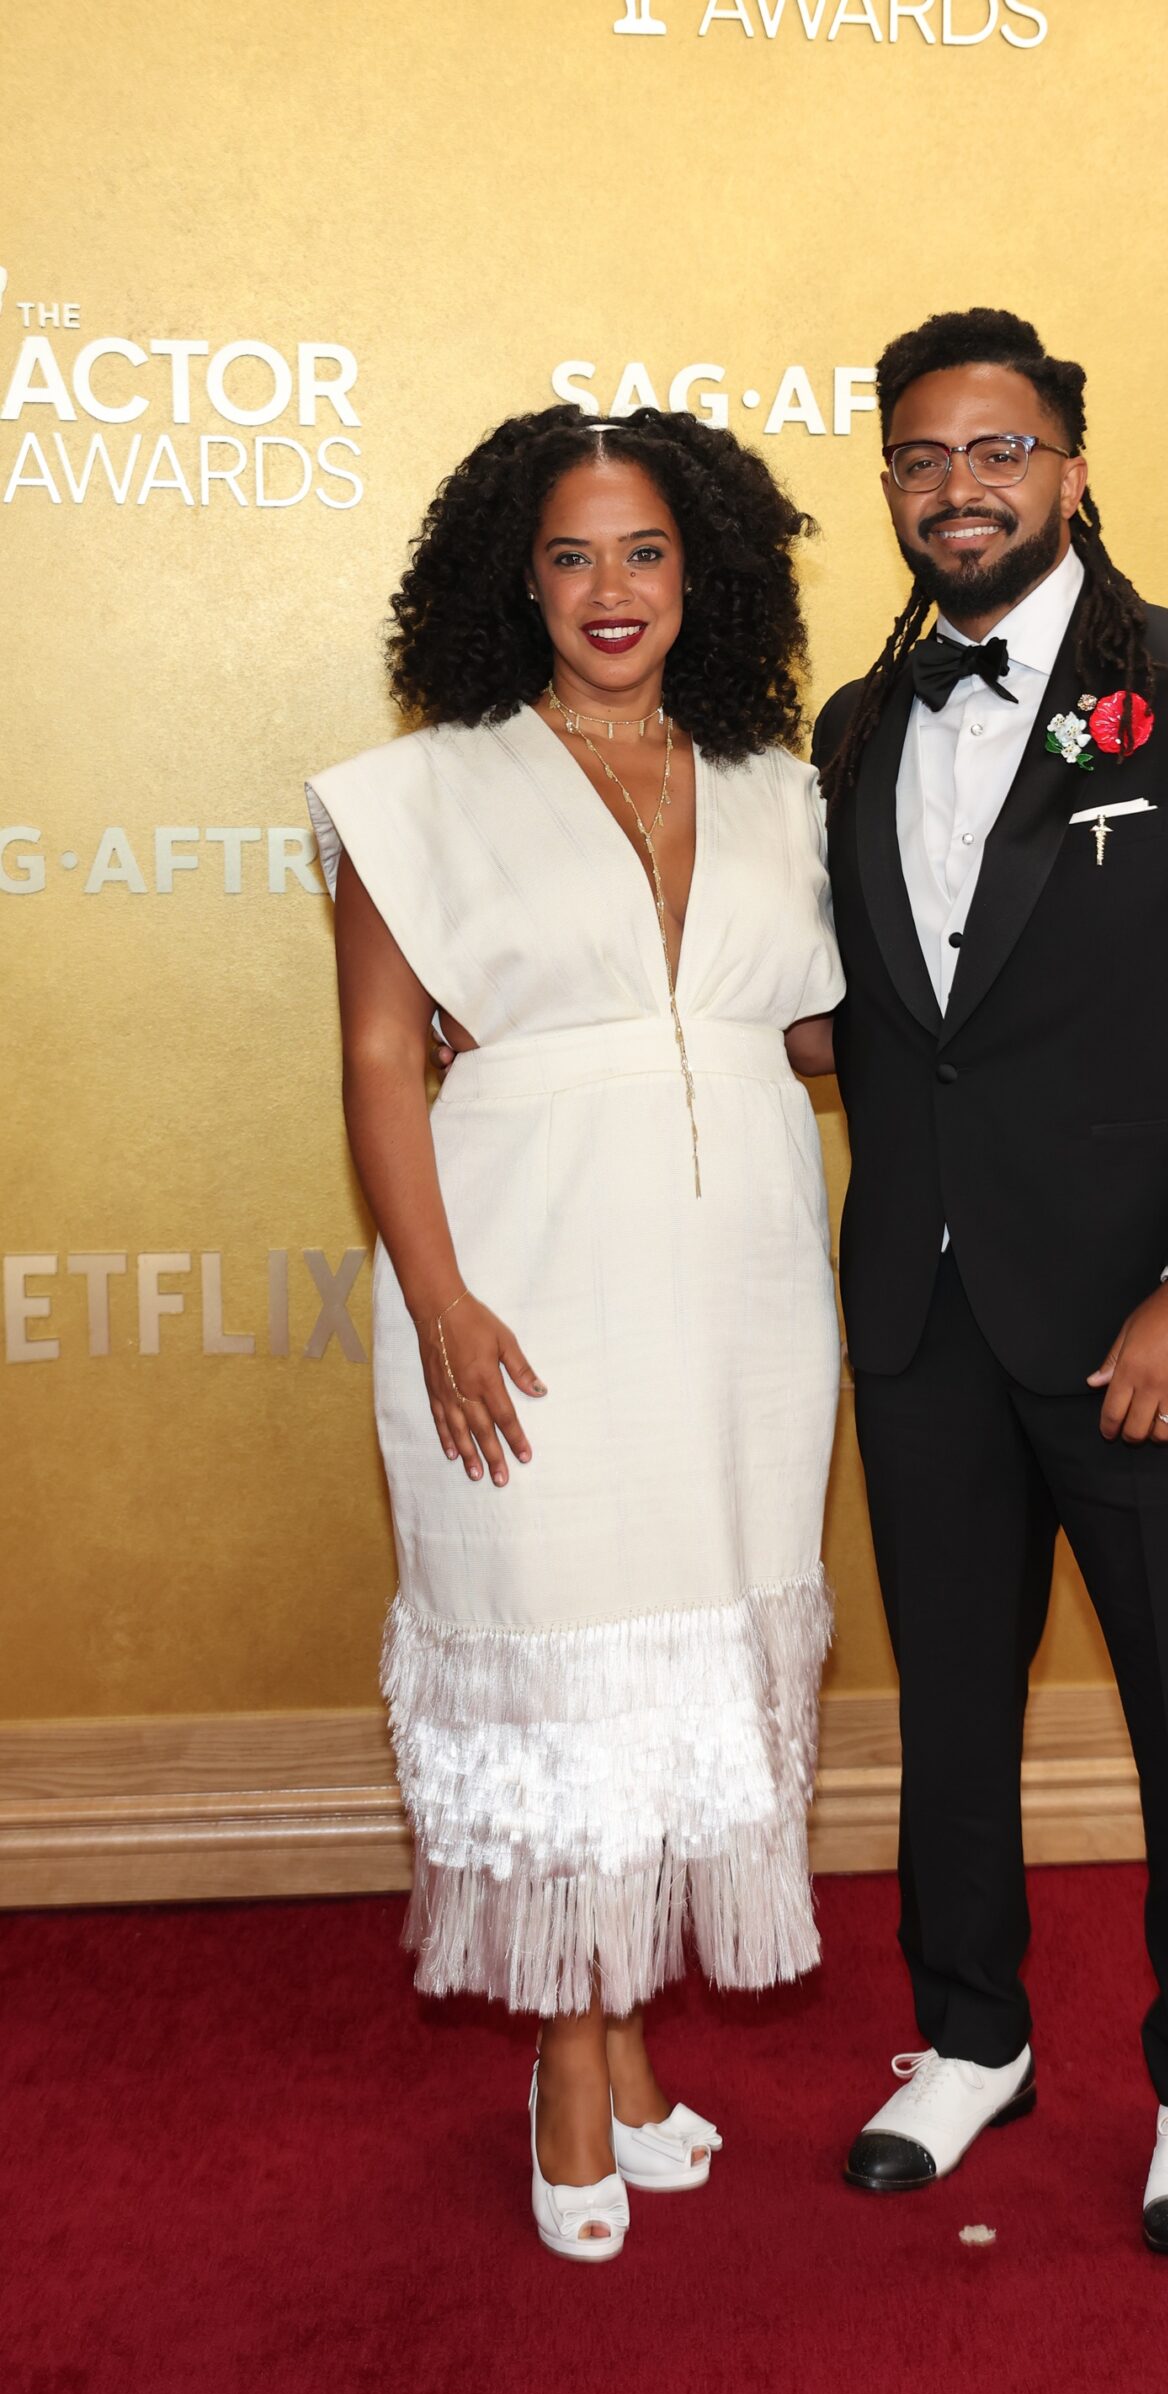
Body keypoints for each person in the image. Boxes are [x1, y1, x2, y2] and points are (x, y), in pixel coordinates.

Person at [813, 308, 1168, 2254]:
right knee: (949, 1710)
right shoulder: (856, 723)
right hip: (926, 1312)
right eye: (916, 458)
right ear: (886, 483)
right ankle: (967, 2037)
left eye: (995, 448)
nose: (955, 487)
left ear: (1066, 464)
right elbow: (892, 1024)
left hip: (1152, 1329)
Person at [308, 407, 843, 2264]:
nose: (610, 595)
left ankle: (623, 2046)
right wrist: (441, 1301)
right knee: (553, 1666)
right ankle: (564, 2053)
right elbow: (383, 1056)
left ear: (704, 575)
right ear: (510, 579)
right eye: (569, 557)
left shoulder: (782, 787)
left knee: (684, 1674)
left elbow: (810, 1035)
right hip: (520, 1279)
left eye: (643, 555)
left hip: (745, 1296)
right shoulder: (424, 793)